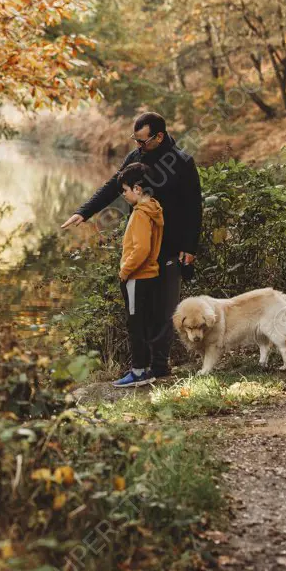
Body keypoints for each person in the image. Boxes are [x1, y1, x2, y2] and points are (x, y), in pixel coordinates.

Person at [61, 111, 202, 379]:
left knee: (165, 310)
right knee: (140, 312)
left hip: (171, 247)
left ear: (159, 136)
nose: (137, 146)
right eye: (135, 140)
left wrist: (190, 248)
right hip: (142, 248)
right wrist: (84, 212)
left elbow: (193, 208)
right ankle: (142, 367)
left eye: (142, 141)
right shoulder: (135, 158)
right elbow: (113, 186)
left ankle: (159, 368)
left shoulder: (182, 162)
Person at [111, 162, 164, 386]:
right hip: (149, 276)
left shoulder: (141, 214)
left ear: (138, 189)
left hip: (137, 277)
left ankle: (139, 371)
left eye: (125, 190)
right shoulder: (153, 208)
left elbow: (141, 249)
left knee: (136, 324)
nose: (123, 194)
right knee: (145, 322)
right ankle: (146, 368)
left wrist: (125, 271)